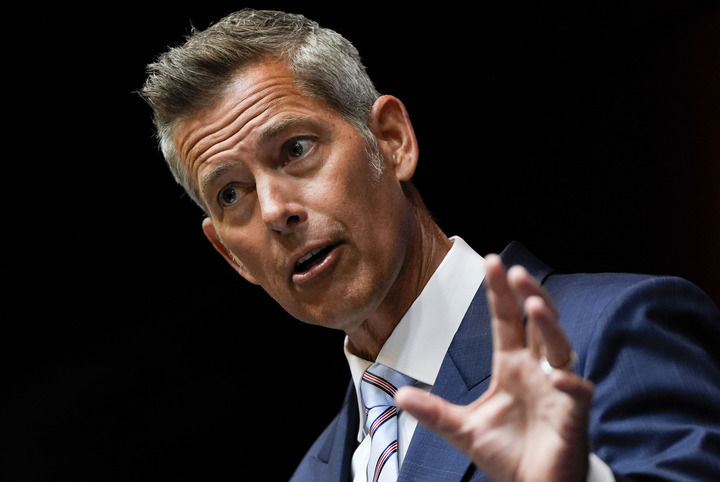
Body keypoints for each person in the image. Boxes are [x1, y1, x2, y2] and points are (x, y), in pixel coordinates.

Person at [140, 9, 720, 481]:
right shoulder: (311, 474)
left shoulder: (613, 330)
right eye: (231, 194)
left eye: (295, 149)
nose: (274, 211)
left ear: (391, 140)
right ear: (231, 255)